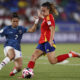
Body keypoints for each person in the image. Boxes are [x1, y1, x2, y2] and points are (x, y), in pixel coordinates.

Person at [23, 2, 80, 78]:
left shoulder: (49, 17)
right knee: (33, 56)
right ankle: (27, 73)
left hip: (47, 42)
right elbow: (46, 21)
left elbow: (52, 29)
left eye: (44, 11)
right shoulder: (46, 18)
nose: (42, 12)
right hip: (42, 41)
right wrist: (40, 17)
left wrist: (50, 40)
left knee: (53, 61)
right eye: (41, 11)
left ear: (49, 10)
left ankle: (71, 54)